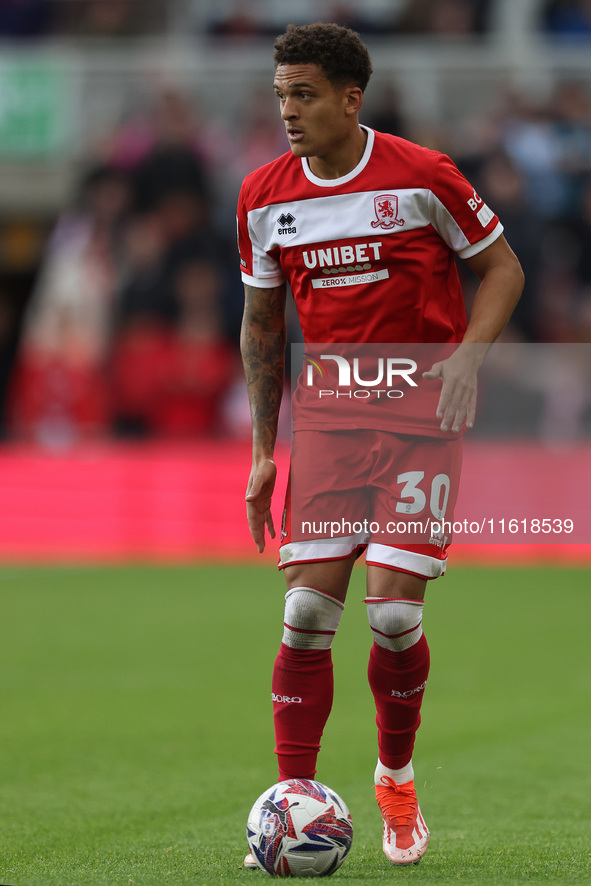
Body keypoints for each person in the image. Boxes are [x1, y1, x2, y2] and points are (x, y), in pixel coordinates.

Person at [237, 21, 524, 868]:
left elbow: (502, 268)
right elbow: (261, 323)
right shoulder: (262, 195)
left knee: (394, 615)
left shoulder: (422, 175)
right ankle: (294, 802)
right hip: (327, 420)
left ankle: (394, 782)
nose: (287, 111)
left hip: (421, 418)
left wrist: (468, 360)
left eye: (304, 94)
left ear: (349, 98)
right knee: (305, 613)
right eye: (280, 93)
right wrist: (262, 451)